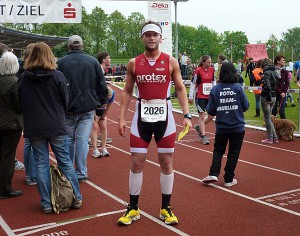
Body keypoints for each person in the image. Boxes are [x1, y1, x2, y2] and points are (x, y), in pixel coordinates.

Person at [117, 20, 192, 226]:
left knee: (166, 162)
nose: (151, 38)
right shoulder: (134, 63)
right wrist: (122, 116)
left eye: (155, 35)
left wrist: (187, 115)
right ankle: (133, 208)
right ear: (142, 37)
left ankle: (165, 208)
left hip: (165, 117)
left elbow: (180, 89)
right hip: (141, 116)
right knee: (136, 162)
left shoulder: (171, 61)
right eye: (147, 35)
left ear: (161, 38)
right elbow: (127, 90)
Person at [18, 42, 83, 213]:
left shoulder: (24, 78)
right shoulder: (57, 76)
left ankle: (47, 203)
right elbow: (66, 101)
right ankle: (76, 197)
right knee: (65, 161)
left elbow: (20, 103)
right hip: (55, 124)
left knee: (41, 163)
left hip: (34, 126)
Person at [57, 35, 108, 182]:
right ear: (82, 46)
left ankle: (68, 171)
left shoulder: (61, 62)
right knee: (82, 140)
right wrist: (101, 103)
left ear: (69, 47)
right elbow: (102, 85)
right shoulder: (92, 62)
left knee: (68, 140)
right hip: (87, 108)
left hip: (67, 108)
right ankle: (80, 172)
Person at [202, 62, 249, 187]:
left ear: (221, 73)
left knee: (218, 150)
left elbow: (210, 110)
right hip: (237, 127)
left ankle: (213, 173)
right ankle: (228, 178)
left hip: (222, 127)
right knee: (234, 152)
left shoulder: (215, 89)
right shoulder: (238, 88)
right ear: (234, 73)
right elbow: (245, 106)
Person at [0, 50, 23, 199]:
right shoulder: (15, 82)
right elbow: (19, 106)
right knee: (8, 157)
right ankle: (5, 188)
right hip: (11, 125)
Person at [17, 43, 37, 185]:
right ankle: (32, 176)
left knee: (28, 143)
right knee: (33, 143)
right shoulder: (29, 71)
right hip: (32, 110)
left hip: (24, 109)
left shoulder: (20, 69)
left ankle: (30, 174)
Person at [90, 52, 115, 158]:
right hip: (93, 102)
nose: (110, 60)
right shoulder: (98, 69)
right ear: (104, 60)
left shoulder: (103, 70)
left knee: (103, 125)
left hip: (101, 102)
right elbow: (93, 87)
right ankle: (95, 150)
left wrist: (104, 114)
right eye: (109, 58)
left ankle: (104, 148)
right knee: (95, 126)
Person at [189, 55, 215, 145]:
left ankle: (199, 126)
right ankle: (204, 136)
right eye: (208, 62)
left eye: (210, 62)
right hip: (200, 96)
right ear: (203, 62)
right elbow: (193, 83)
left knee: (211, 116)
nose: (210, 64)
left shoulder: (212, 69)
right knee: (202, 116)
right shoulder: (198, 70)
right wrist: (191, 96)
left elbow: (213, 81)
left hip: (209, 96)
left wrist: (214, 92)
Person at [259, 58, 279, 144]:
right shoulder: (275, 71)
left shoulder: (266, 72)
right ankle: (275, 137)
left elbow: (267, 85)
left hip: (267, 96)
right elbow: (278, 80)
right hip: (274, 96)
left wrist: (267, 93)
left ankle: (270, 138)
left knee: (267, 118)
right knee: (269, 117)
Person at [271, 55, 289, 119]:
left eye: (284, 60)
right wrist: (280, 91)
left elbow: (287, 83)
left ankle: (285, 127)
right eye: (283, 60)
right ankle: (273, 127)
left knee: (281, 112)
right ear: (278, 61)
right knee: (274, 112)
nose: (284, 62)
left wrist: (284, 92)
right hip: (274, 93)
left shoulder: (285, 72)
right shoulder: (272, 71)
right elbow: (273, 83)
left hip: (282, 95)